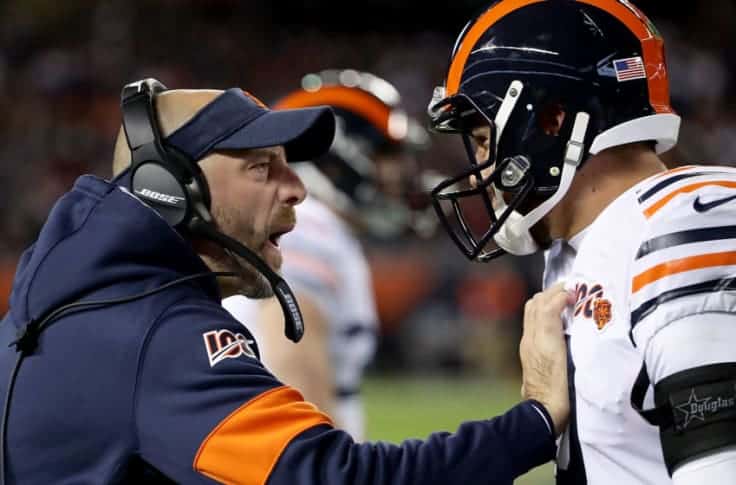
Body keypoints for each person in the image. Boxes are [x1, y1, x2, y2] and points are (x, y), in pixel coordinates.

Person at [0, 77, 568, 484]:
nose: (296, 188)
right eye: (261, 167)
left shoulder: (68, 307)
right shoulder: (158, 336)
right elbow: (340, 476)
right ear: (170, 190)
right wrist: (536, 421)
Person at [426, 1, 736, 484]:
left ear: (551, 121)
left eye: (484, 140)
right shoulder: (582, 250)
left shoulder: (686, 228)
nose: (479, 173)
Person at [223, 69, 434, 440]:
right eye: (387, 154)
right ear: (339, 159)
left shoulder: (311, 227)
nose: (403, 172)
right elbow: (298, 395)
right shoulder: (307, 231)